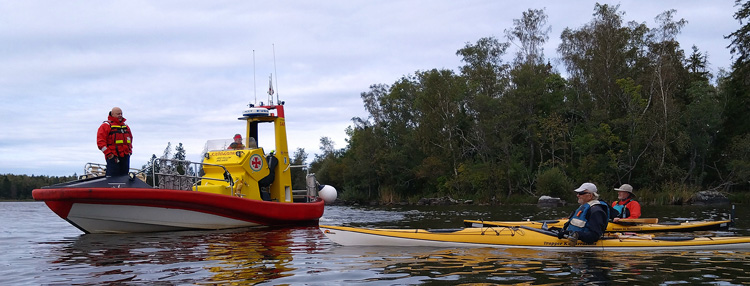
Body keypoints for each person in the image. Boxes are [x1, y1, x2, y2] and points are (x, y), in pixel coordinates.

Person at [97, 107, 133, 177]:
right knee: (112, 179)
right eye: (118, 114)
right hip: (113, 157)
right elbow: (100, 143)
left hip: (125, 156)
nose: (120, 115)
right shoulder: (106, 126)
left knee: (124, 178)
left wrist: (129, 151)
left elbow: (130, 140)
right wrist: (109, 154)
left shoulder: (125, 126)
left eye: (121, 114)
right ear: (112, 114)